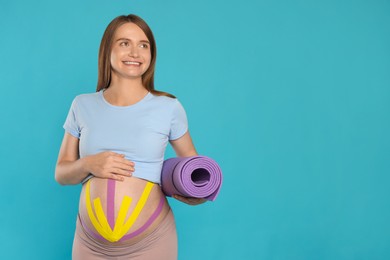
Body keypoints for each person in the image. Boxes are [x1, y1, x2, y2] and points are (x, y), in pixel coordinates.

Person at [55, 14, 206, 260]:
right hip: (90, 245)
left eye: (143, 45)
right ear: (108, 50)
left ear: (151, 54)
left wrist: (195, 192)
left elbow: (193, 167)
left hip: (152, 239)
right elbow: (61, 173)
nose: (135, 52)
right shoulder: (82, 105)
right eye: (124, 43)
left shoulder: (168, 107)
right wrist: (88, 164)